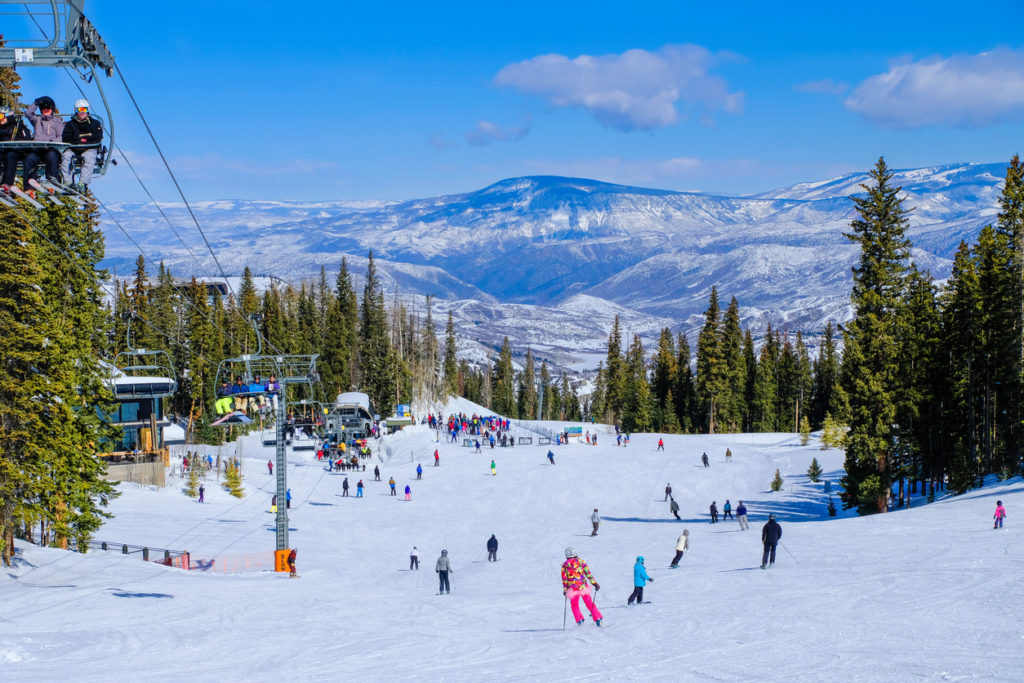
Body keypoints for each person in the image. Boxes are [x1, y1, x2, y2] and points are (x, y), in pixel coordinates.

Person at [60, 98, 102, 190]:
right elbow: (66, 138)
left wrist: (84, 143)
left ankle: (83, 183)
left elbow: (98, 138)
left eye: (84, 109)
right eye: (80, 110)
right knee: (66, 155)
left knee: (89, 157)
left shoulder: (95, 124)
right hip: (73, 148)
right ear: (76, 110)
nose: (82, 112)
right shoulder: (70, 125)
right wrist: (79, 142)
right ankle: (68, 182)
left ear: (88, 110)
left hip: (88, 148)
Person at [23, 96, 63, 189]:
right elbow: (28, 113)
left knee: (52, 157)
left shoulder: (57, 121)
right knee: (29, 159)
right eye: (43, 108)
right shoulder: (37, 120)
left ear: (52, 109)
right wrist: (36, 103)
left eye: (48, 108)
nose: (46, 110)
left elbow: (61, 137)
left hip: (50, 149)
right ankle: (29, 186)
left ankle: (52, 182)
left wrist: (50, 143)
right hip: (38, 149)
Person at [561, 547, 603, 626]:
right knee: (589, 602)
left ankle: (580, 620)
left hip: (573, 589)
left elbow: (564, 579)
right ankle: (598, 618)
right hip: (583, 586)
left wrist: (565, 589)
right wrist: (594, 583)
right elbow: (588, 574)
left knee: (574, 605)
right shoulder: (581, 562)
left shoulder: (565, 565)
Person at [1, 106, 33, 192]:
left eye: (1, 116)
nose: (1, 119)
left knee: (10, 156)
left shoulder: (17, 126)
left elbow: (27, 139)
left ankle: (7, 184)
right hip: (3, 150)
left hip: (16, 151)